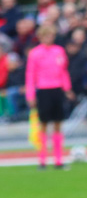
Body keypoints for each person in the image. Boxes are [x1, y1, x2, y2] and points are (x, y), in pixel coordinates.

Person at [25, 24, 74, 169]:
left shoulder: (59, 51)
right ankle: (42, 160)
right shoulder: (35, 53)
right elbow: (30, 75)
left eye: (51, 35)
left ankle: (58, 160)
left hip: (57, 89)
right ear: (40, 37)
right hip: (43, 89)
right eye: (46, 35)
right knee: (43, 125)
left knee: (58, 124)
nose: (49, 38)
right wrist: (30, 94)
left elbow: (63, 71)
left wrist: (67, 88)